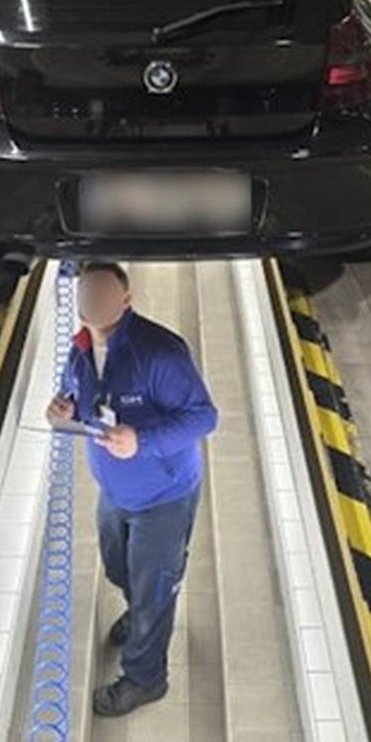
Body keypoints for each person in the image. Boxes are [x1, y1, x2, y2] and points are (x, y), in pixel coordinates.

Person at [47, 260, 218, 718]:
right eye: (87, 293)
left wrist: (142, 441)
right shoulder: (81, 348)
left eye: (104, 292)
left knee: (154, 586)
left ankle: (146, 679)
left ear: (125, 299)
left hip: (164, 496)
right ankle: (141, 610)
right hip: (114, 492)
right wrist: (61, 414)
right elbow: (78, 404)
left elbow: (205, 417)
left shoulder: (158, 353)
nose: (93, 301)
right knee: (120, 568)